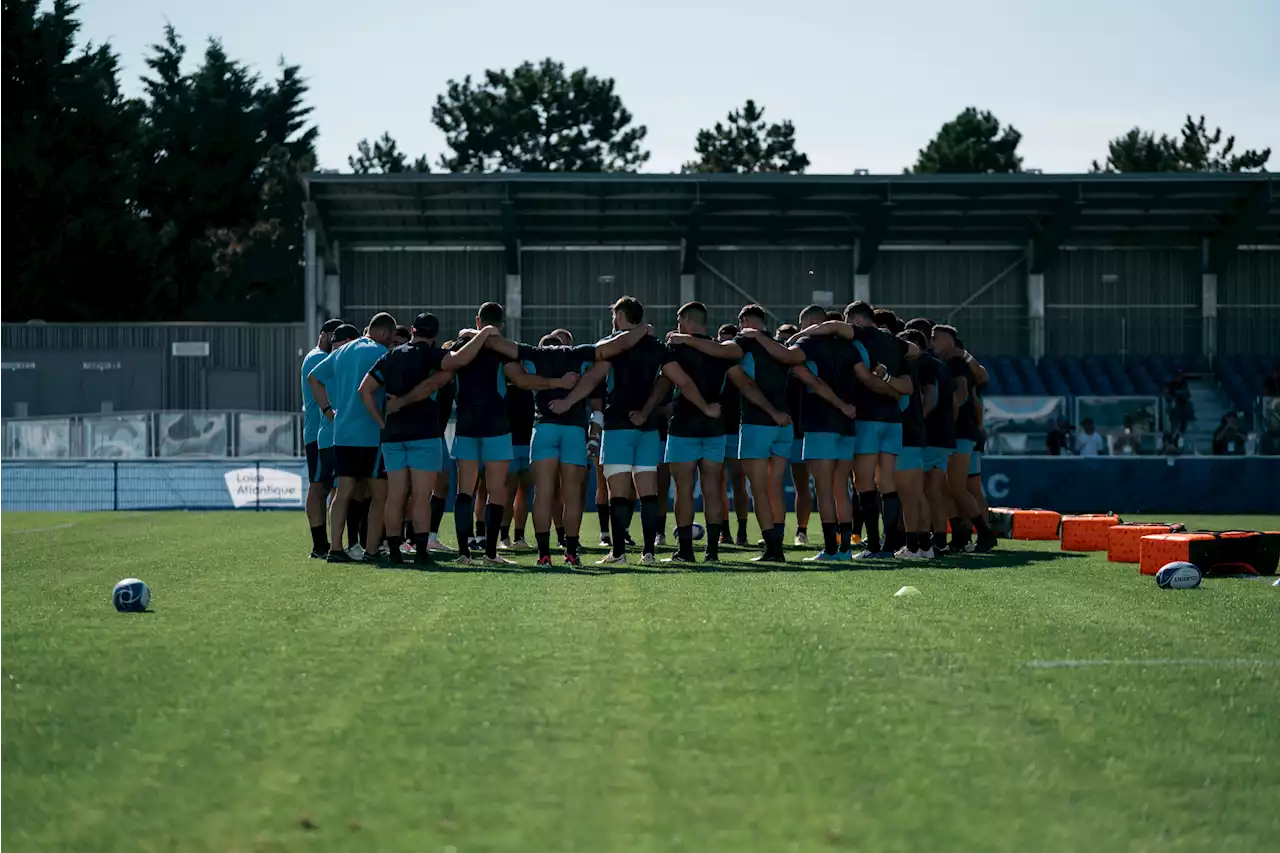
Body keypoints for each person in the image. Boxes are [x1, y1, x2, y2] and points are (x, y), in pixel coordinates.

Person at [491, 322, 652, 567]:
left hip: (543, 428)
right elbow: (618, 344)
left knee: (543, 494)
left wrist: (476, 332)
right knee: (572, 496)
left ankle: (544, 555)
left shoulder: (533, 354)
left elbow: (497, 345)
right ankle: (570, 553)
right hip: (574, 431)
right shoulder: (579, 354)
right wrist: (642, 329)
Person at [549, 297, 691, 564]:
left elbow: (592, 378)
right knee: (648, 491)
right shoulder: (656, 346)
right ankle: (648, 552)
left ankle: (618, 552)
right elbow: (679, 380)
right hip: (647, 427)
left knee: (619, 494)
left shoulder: (613, 347)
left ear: (621, 317)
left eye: (615, 315)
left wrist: (568, 401)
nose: (613, 320)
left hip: (617, 426)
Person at [359, 312, 492, 566]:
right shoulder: (432, 355)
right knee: (421, 496)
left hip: (393, 435)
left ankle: (395, 553)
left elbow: (364, 390)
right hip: (425, 433)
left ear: (411, 330)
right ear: (434, 336)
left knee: (395, 495)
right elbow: (460, 358)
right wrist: (484, 333)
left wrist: (381, 422)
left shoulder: (390, 355)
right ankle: (421, 551)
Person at [630, 303, 728, 564]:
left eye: (678, 320)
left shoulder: (675, 347)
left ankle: (685, 551)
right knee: (712, 491)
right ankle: (712, 553)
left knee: (683, 491)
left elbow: (665, 383)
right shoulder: (721, 349)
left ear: (685, 320)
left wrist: (647, 410)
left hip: (684, 427)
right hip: (716, 427)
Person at [768, 306, 859, 561]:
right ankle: (846, 549)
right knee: (842, 488)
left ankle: (831, 550)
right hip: (847, 424)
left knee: (824, 489)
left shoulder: (807, 343)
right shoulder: (849, 347)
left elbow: (794, 365)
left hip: (821, 423)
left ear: (809, 321)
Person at [307, 313, 398, 563]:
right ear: (383, 334)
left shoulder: (341, 352)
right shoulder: (381, 353)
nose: (392, 341)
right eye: (390, 337)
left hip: (342, 433)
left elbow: (313, 378)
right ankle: (370, 551)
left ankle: (335, 549)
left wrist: (328, 411)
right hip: (372, 434)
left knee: (343, 491)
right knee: (380, 493)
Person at [730, 305, 796, 562]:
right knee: (774, 487)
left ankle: (773, 549)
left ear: (744, 321)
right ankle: (777, 543)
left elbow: (745, 384)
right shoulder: (778, 344)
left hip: (758, 423)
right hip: (785, 423)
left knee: (758, 490)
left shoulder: (743, 343)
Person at [849, 301, 912, 559]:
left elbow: (864, 378)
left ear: (856, 320)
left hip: (867, 417)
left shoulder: (859, 340)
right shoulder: (896, 343)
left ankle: (874, 546)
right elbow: (915, 354)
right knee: (886, 481)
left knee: (863, 481)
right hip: (893, 419)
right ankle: (890, 545)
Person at [930, 324, 998, 553]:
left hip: (960, 432)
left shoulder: (956, 363)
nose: (933, 342)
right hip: (966, 432)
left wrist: (949, 416)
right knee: (956, 488)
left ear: (949, 340)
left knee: (956, 487)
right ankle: (963, 535)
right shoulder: (958, 361)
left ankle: (983, 534)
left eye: (936, 338)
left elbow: (961, 393)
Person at [302, 319, 344, 557]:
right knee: (320, 487)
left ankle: (324, 544)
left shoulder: (314, 356)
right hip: (320, 433)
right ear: (327, 336)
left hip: (322, 431)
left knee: (327, 487)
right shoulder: (320, 358)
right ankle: (320, 545)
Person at [893, 329, 930, 559]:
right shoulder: (915, 369)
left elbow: (900, 402)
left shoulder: (902, 370)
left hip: (905, 436)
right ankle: (926, 547)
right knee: (918, 495)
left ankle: (913, 547)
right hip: (917, 435)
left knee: (908, 496)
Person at [775, 324, 811, 546]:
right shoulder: (772, 366)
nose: (785, 343)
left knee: (801, 483)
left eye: (788, 340)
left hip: (798, 431)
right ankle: (773, 531)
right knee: (772, 482)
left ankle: (802, 531)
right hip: (775, 429)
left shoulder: (802, 367)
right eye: (781, 340)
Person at [716, 323, 751, 548]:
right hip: (716, 430)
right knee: (718, 484)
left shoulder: (742, 368)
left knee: (738, 483)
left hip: (736, 430)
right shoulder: (713, 364)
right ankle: (724, 532)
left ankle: (742, 533)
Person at [503, 377, 536, 549]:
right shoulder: (505, 388)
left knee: (525, 490)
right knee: (507, 491)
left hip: (529, 442)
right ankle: (503, 537)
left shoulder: (533, 386)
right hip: (509, 443)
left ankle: (519, 537)